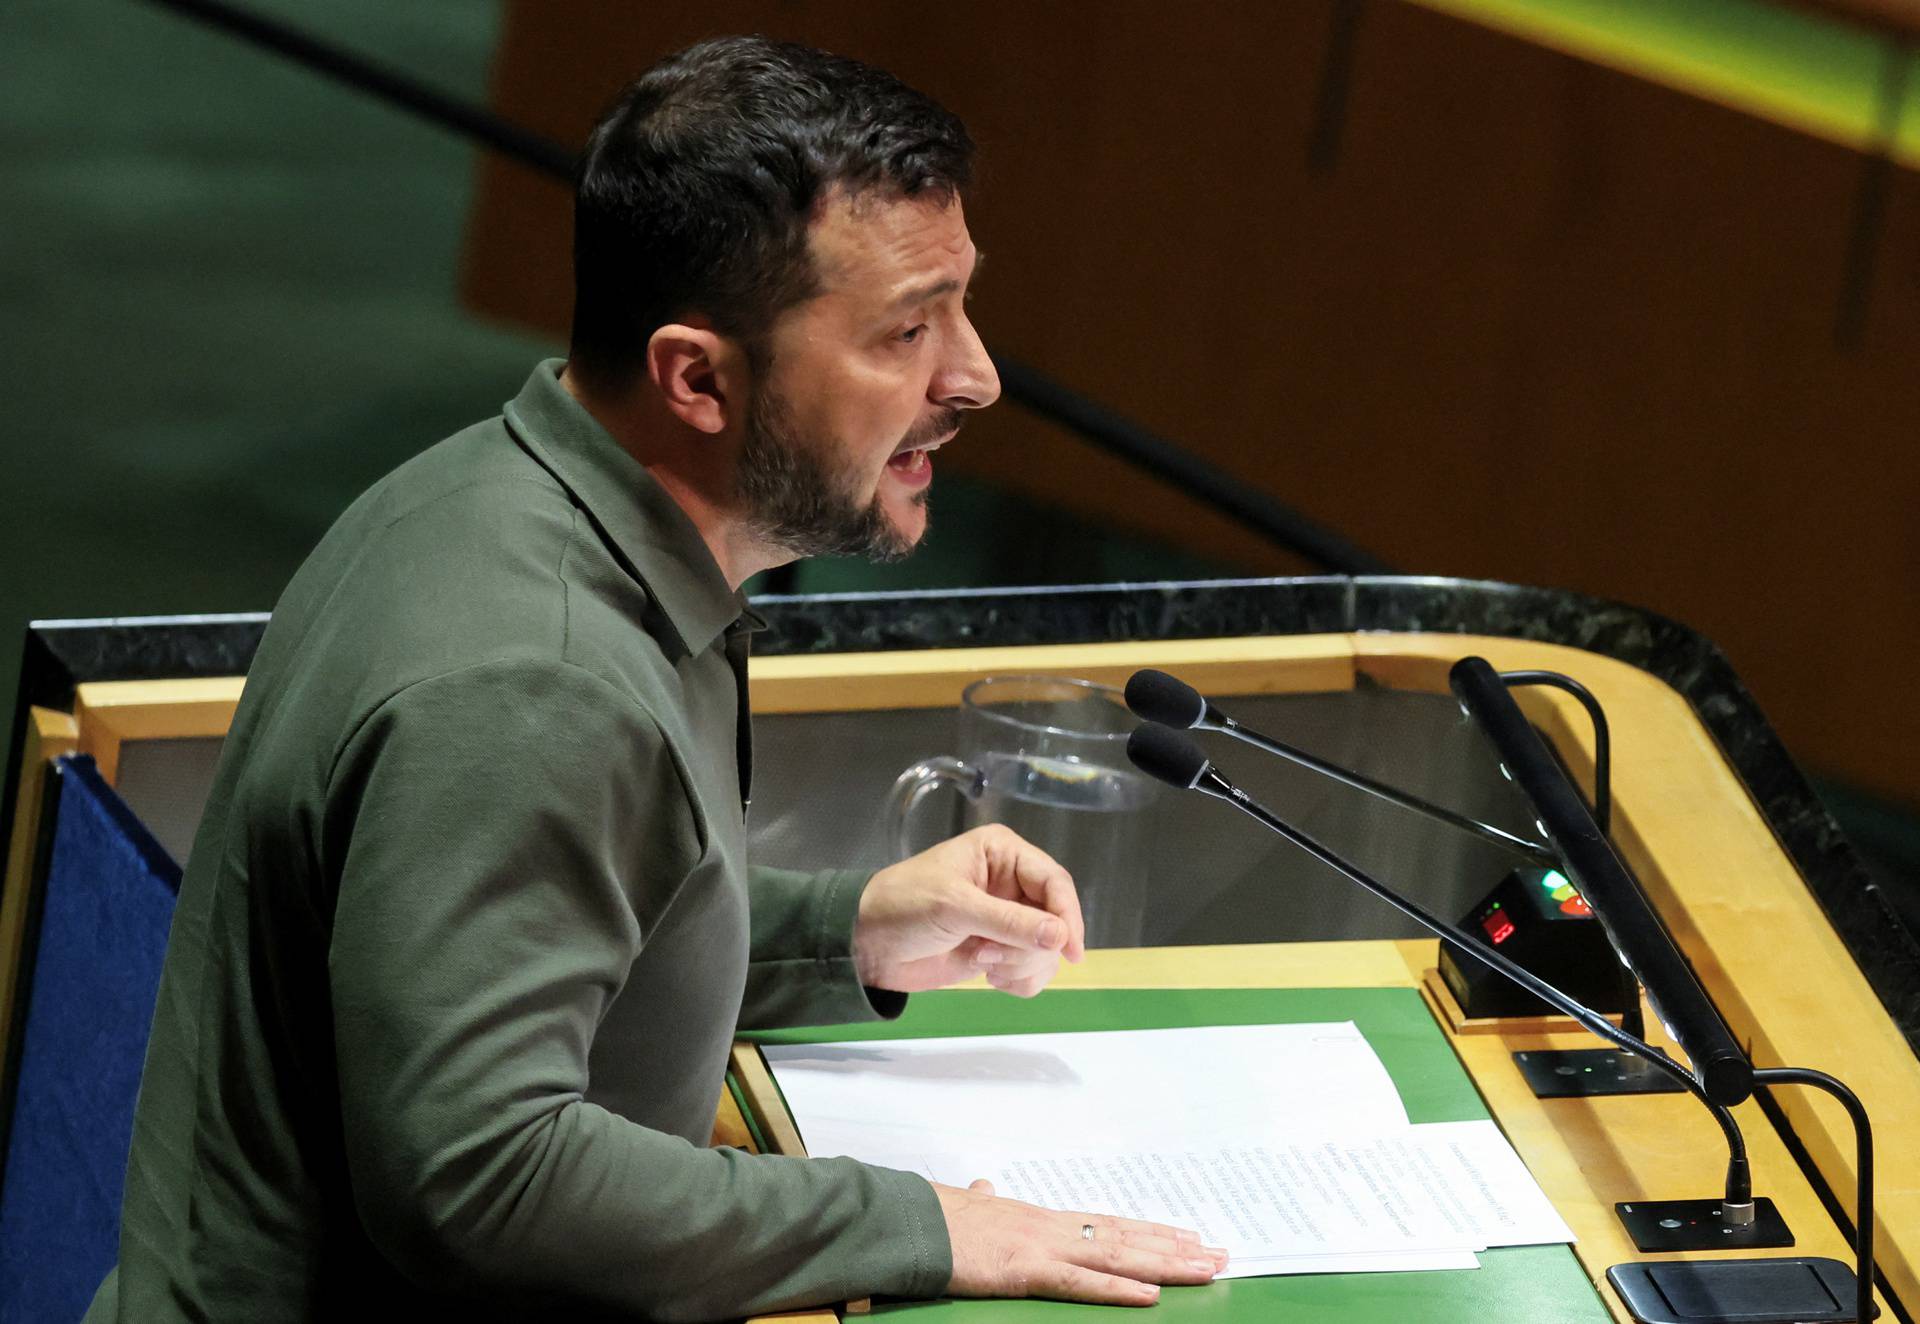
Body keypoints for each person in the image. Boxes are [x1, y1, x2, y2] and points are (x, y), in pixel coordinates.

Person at [87, 36, 1225, 1323]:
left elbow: (539, 957)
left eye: (959, 306)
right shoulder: (535, 680)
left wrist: (845, 929)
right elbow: (483, 1177)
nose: (974, 376)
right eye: (908, 330)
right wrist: (919, 1220)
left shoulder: (505, 493)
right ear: (698, 376)